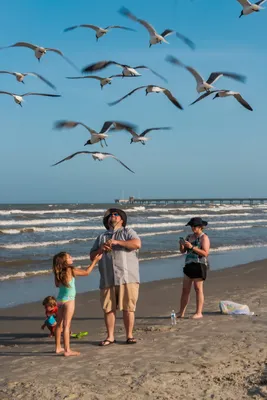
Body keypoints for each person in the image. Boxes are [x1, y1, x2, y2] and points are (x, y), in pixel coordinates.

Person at [90, 208, 141, 346]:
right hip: (107, 277)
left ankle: (129, 335)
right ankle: (110, 336)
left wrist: (117, 242)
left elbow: (137, 244)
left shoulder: (127, 232)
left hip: (127, 277)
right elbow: (92, 256)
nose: (112, 216)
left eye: (115, 214)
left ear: (121, 219)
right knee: (108, 308)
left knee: (128, 307)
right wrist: (101, 249)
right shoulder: (101, 237)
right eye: (110, 215)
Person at [53, 251, 102, 356]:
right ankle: (67, 350)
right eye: (69, 257)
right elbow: (87, 272)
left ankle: (58, 347)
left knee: (59, 325)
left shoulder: (58, 271)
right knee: (67, 325)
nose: (71, 257)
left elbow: (57, 285)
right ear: (65, 261)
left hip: (60, 300)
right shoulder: (71, 270)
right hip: (69, 300)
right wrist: (95, 261)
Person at [177, 217, 210, 319]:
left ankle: (199, 312)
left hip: (199, 264)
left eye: (194, 226)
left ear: (200, 227)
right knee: (185, 289)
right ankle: (181, 312)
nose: (192, 228)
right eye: (191, 226)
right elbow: (183, 252)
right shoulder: (189, 237)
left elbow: (205, 253)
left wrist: (192, 247)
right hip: (189, 264)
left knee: (198, 288)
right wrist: (182, 245)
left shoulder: (204, 238)